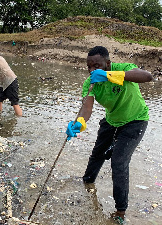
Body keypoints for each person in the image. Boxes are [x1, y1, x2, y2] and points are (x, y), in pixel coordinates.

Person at [65, 46, 153, 224]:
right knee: (97, 153)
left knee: (119, 162)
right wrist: (79, 123)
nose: (92, 70)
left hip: (135, 120)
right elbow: (86, 108)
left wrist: (108, 76)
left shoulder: (122, 68)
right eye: (88, 66)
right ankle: (87, 183)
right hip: (112, 121)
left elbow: (147, 76)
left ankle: (120, 212)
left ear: (108, 63)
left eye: (96, 66)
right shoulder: (90, 84)